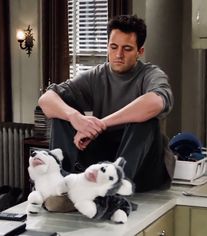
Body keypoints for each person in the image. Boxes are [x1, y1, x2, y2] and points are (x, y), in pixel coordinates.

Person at [38, 15, 175, 193]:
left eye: (127, 49)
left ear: (140, 51)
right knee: (61, 115)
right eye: (113, 47)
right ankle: (63, 186)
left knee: (146, 120)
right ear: (107, 47)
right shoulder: (96, 76)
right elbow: (46, 100)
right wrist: (76, 118)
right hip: (103, 162)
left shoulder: (151, 74)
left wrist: (101, 123)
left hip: (145, 169)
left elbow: (156, 102)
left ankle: (116, 189)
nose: (118, 55)